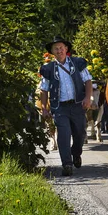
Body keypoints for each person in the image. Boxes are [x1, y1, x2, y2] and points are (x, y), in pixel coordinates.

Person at [39, 36, 92, 176]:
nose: (59, 50)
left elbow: (87, 81)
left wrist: (87, 97)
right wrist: (44, 107)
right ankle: (67, 164)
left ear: (66, 49)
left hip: (77, 105)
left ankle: (76, 154)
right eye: (56, 48)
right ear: (52, 52)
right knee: (63, 136)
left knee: (80, 134)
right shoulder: (48, 69)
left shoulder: (77, 63)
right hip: (60, 108)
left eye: (61, 47)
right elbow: (43, 90)